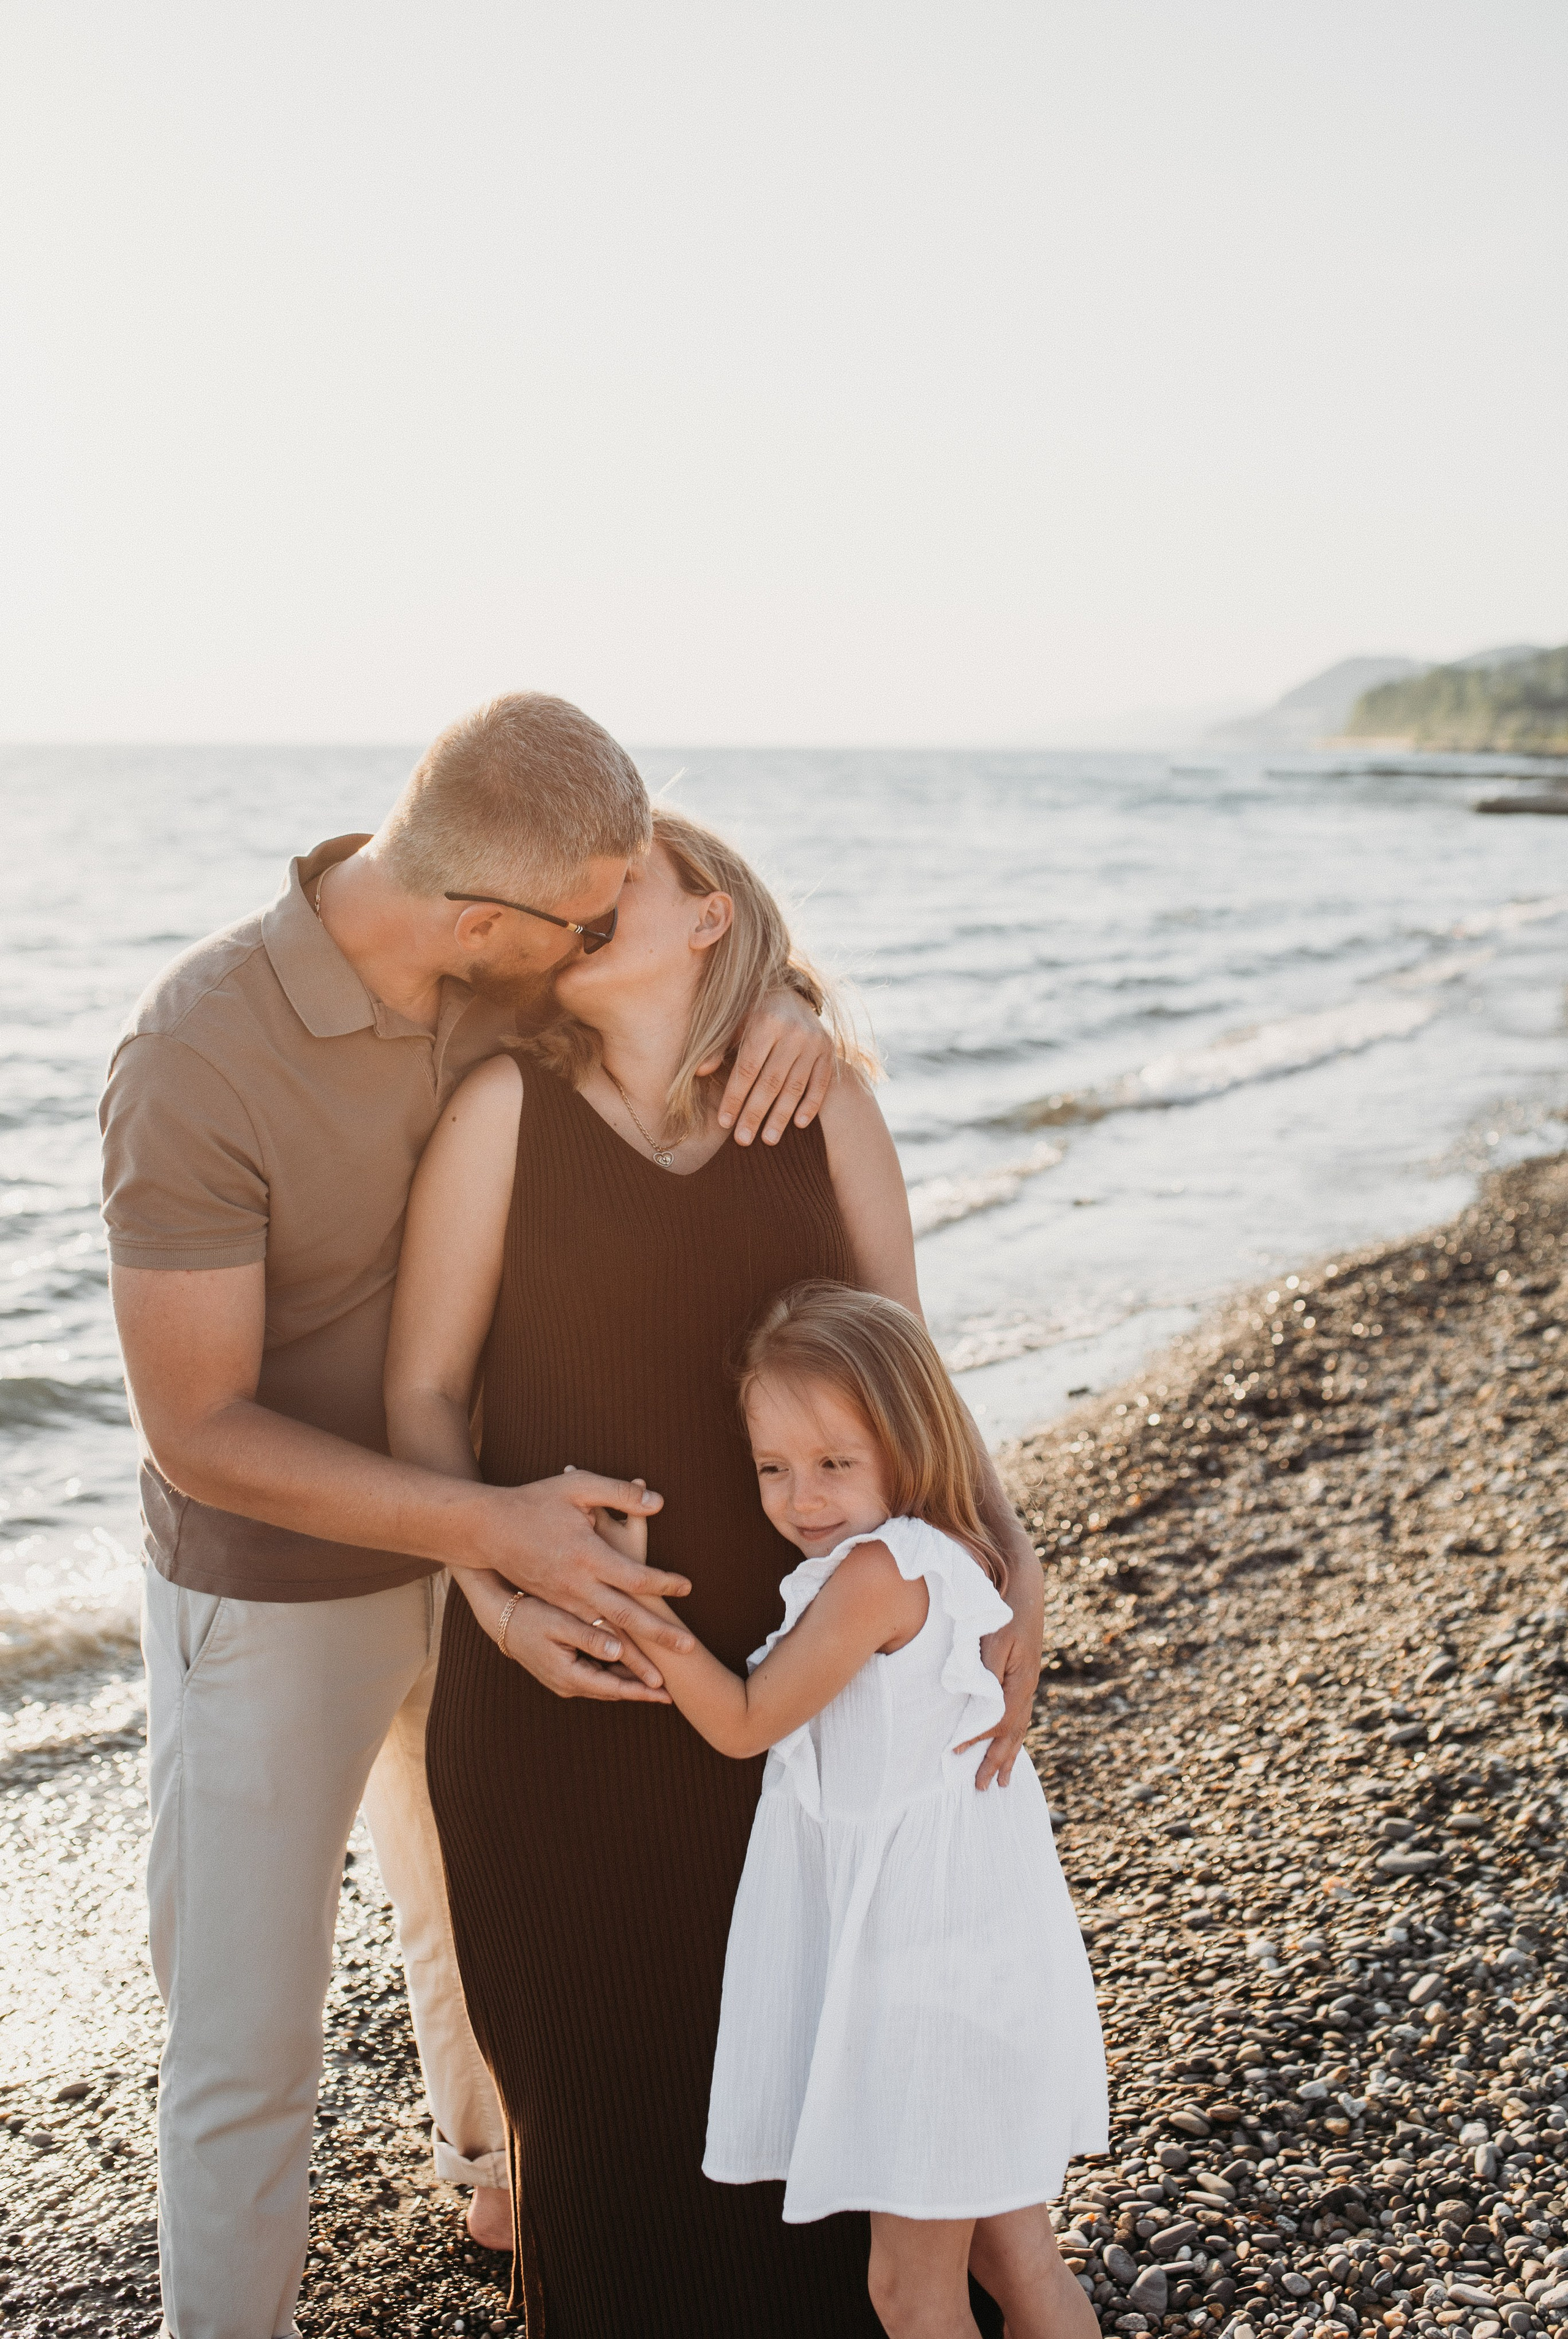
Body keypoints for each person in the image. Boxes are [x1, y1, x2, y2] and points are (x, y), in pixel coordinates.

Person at [100, 694, 835, 2339]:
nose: (592, 939)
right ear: (486, 916)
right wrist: (485, 1534)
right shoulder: (196, 1051)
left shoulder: (501, 961)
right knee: (245, 2032)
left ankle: (491, 2179)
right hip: (278, 1589)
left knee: (465, 1904)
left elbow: (672, 963)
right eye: (581, 917)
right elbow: (196, 1426)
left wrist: (777, 992)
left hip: (502, 1530)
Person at [383, 803, 1047, 2337]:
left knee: (821, 2144)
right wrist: (492, 1590)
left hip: (809, 1715)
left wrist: (1007, 1547)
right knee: (605, 2142)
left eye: (624, 873)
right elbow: (421, 1394)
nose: (583, 898)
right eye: (565, 890)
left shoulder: (820, 1103)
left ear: (710, 915)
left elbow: (910, 1377)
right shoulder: (502, 1108)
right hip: (564, 1701)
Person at [612, 1281, 1109, 2339]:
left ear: (910, 1442)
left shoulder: (877, 1578)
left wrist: (637, 1608)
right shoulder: (952, 1549)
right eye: (773, 1468)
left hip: (924, 1976)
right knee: (1016, 2255)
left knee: (909, 2293)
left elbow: (746, 1721)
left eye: (835, 1463)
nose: (801, 1499)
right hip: (973, 1949)